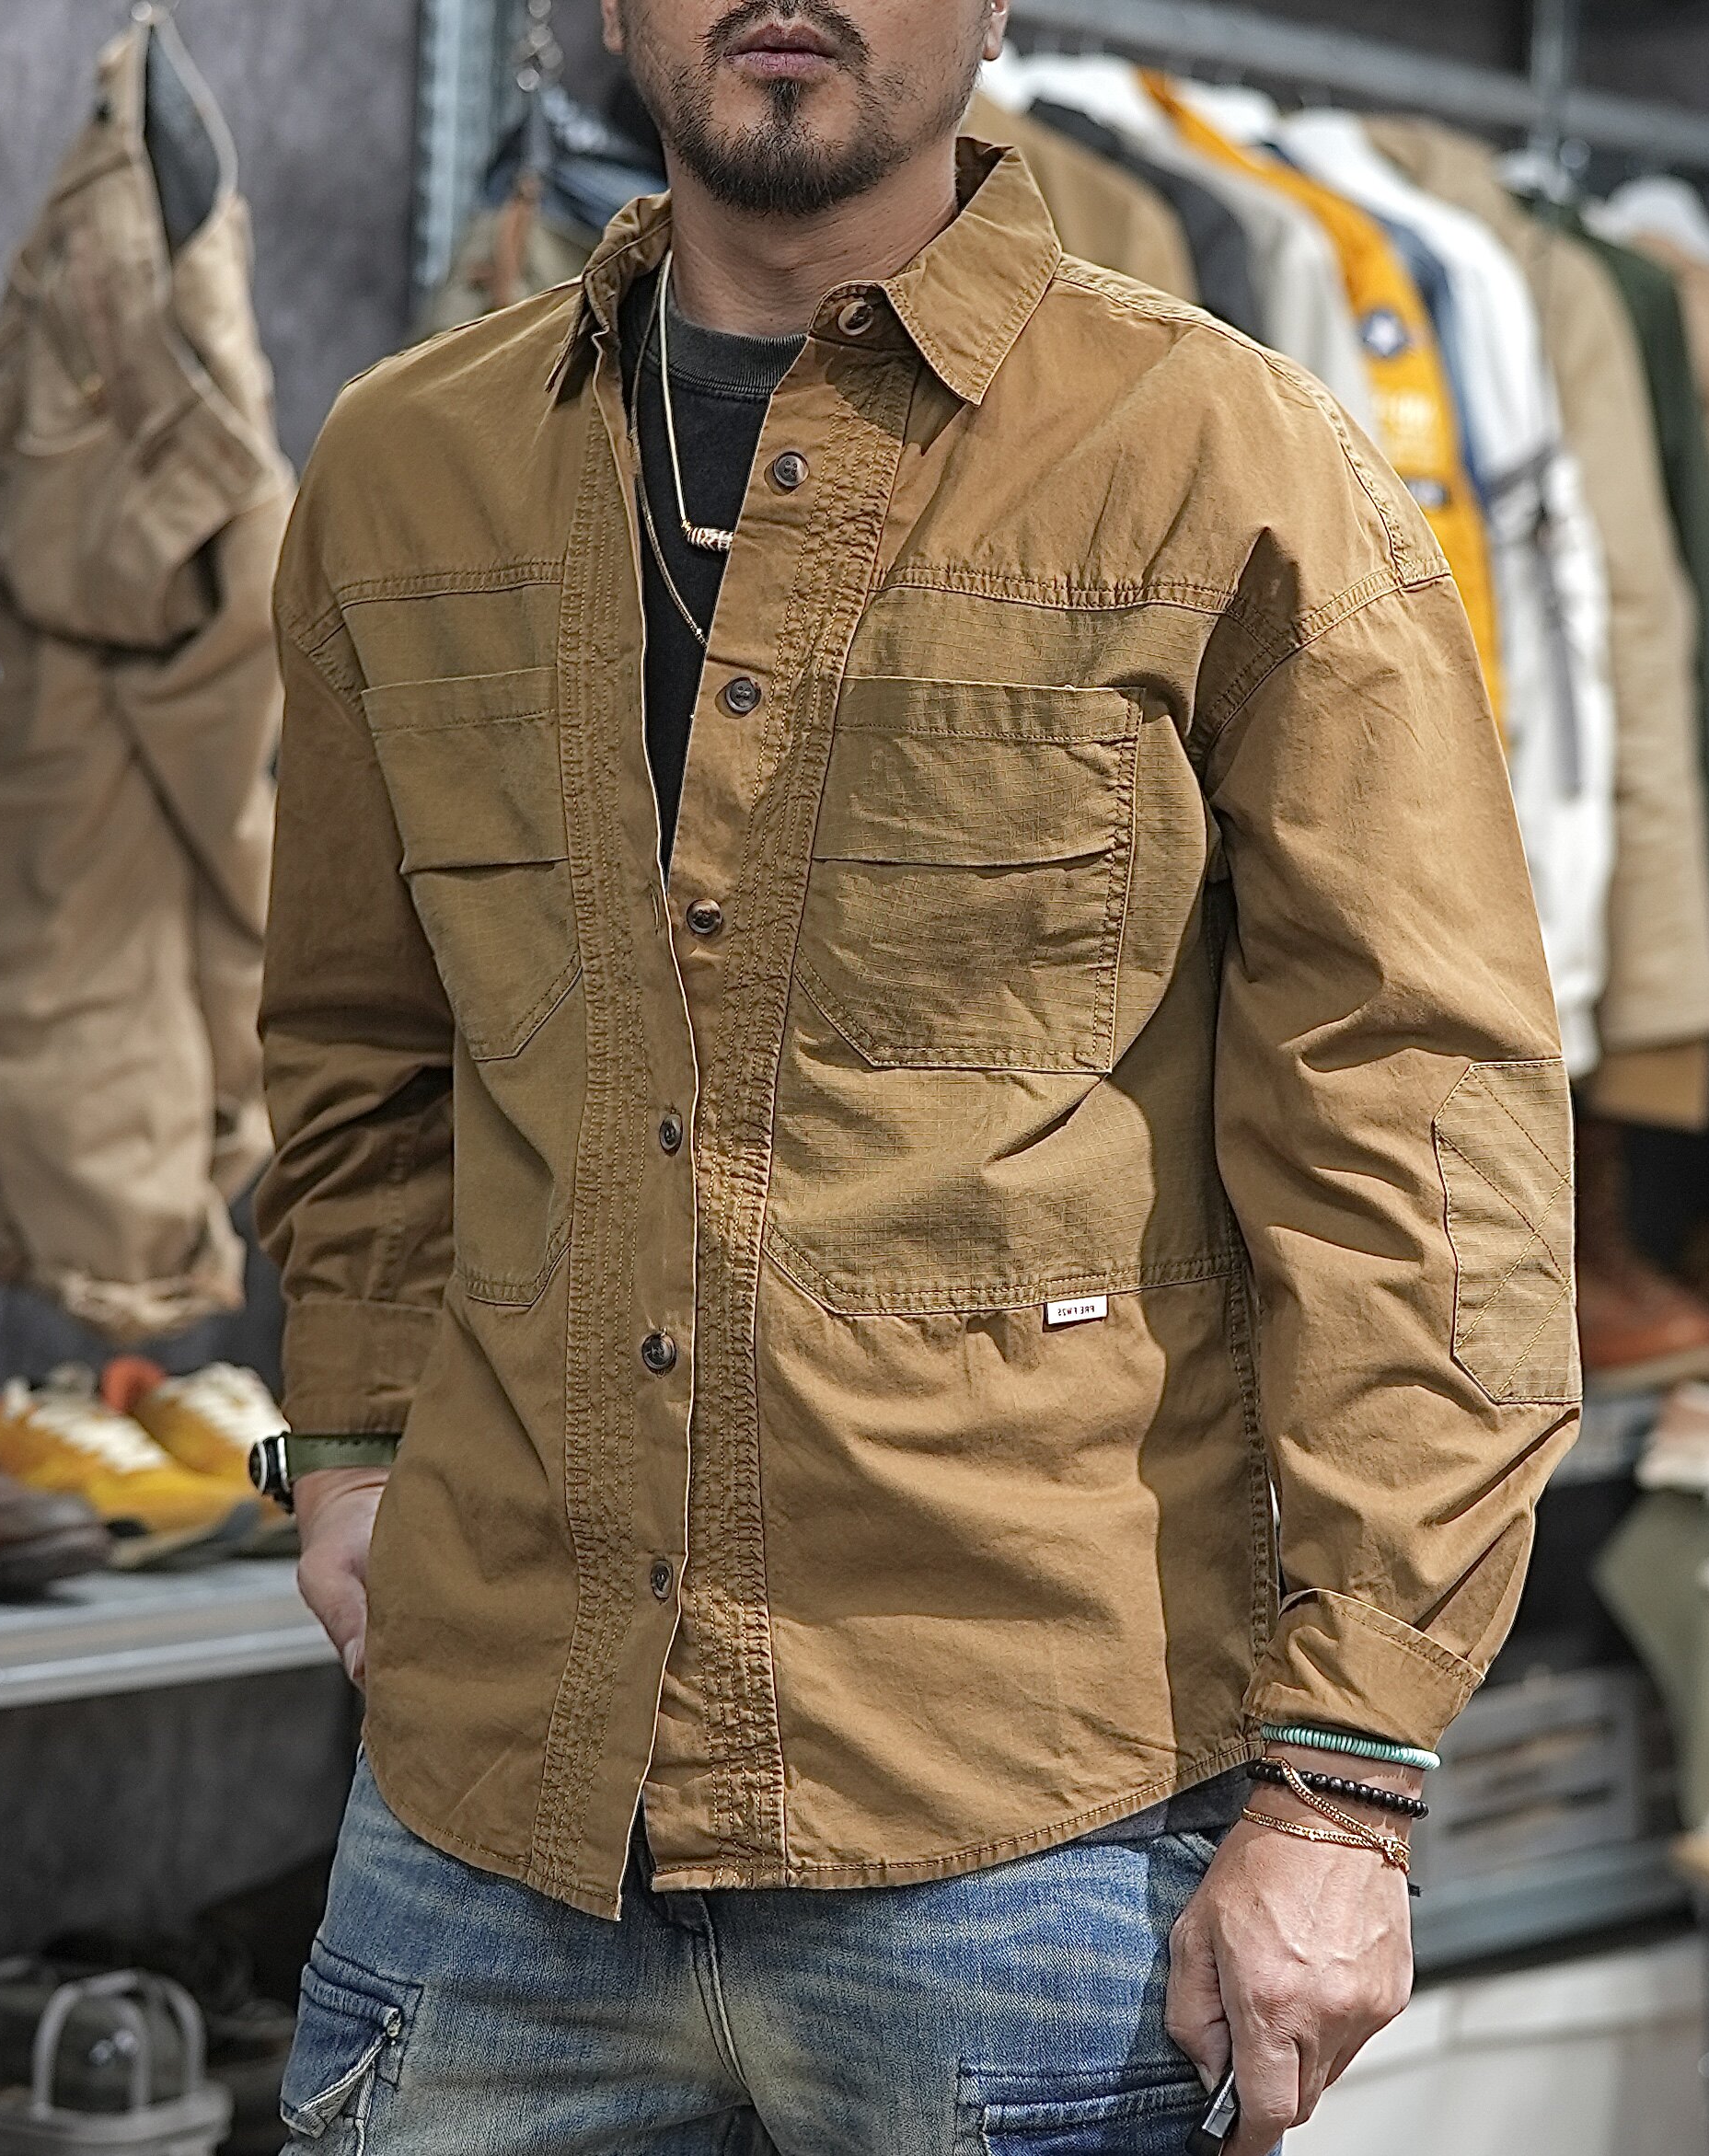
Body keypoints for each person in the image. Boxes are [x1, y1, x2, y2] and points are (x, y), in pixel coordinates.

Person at [256, 1, 1579, 2150]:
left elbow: (1418, 1126)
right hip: (491, 1810)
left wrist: (1344, 1783)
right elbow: (359, 1036)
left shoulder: (1223, 462)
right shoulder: (407, 465)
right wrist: (351, 1439)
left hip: (1020, 1840)